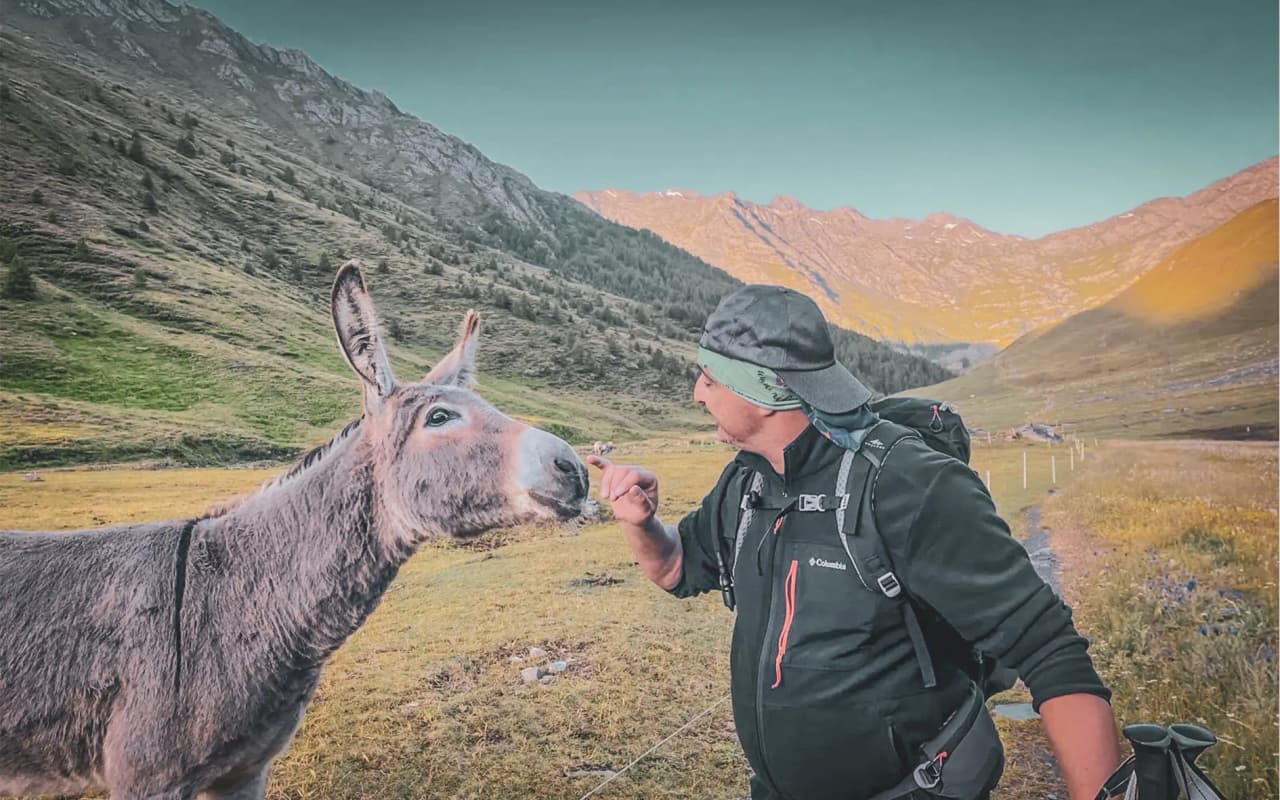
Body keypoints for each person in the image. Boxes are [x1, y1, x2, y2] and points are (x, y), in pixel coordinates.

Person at [587, 285, 1120, 800]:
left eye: (709, 378)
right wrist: (642, 523)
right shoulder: (747, 481)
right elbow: (677, 567)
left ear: (766, 391)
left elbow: (1049, 649)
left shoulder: (909, 486)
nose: (697, 393)